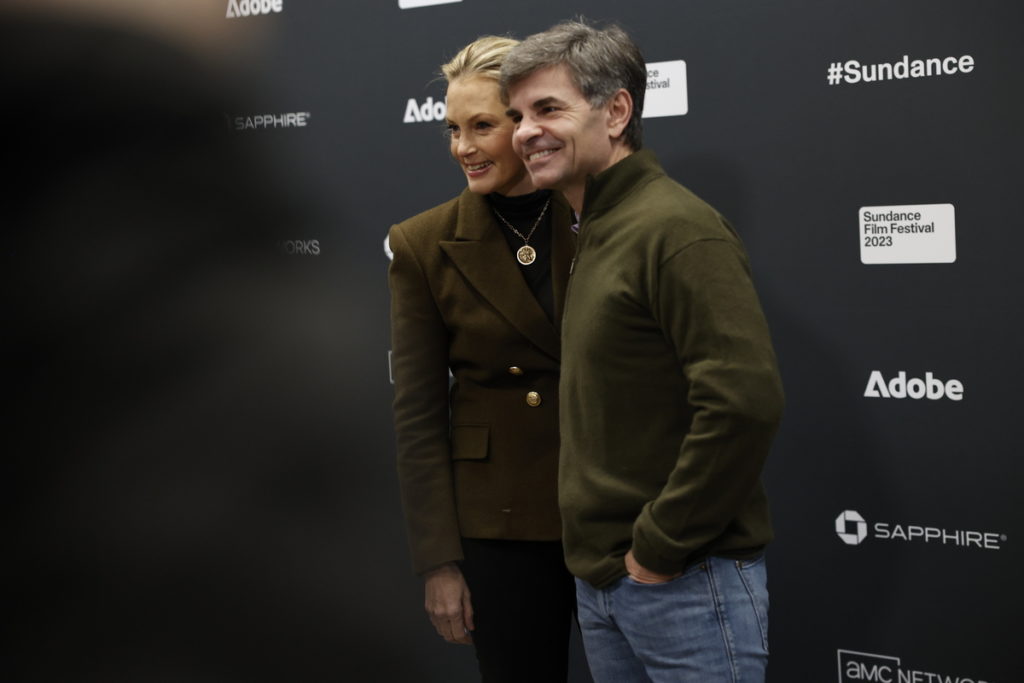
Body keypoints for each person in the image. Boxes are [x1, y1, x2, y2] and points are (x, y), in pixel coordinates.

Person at [501, 20, 785, 682]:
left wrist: (659, 546)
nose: (523, 132)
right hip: (607, 583)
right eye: (517, 114)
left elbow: (743, 402)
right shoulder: (593, 230)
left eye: (547, 108)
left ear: (617, 110)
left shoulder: (676, 227)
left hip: (684, 581)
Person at [387, 36, 577, 683]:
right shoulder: (422, 243)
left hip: (613, 507)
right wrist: (439, 561)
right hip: (498, 525)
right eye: (451, 129)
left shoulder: (601, 215)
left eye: (481, 126)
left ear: (527, 124)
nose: (462, 147)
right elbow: (416, 413)